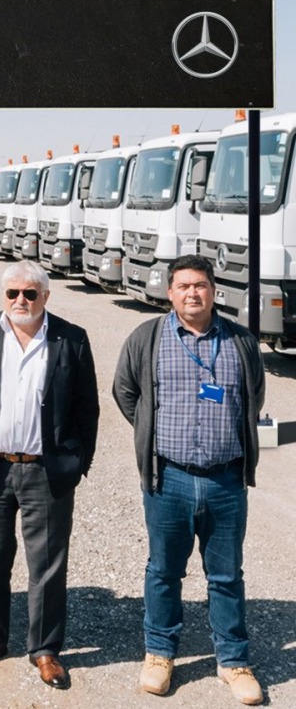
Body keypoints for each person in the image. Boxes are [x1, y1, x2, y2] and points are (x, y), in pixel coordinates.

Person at [113, 255, 265, 706]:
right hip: (169, 479)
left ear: (214, 290)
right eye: (183, 287)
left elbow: (253, 396)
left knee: (225, 575)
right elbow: (125, 392)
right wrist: (150, 433)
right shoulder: (148, 338)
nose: (192, 294)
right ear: (169, 292)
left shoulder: (240, 341)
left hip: (225, 482)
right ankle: (160, 653)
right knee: (163, 571)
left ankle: (233, 661)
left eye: (200, 285)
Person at [0, 260, 99, 690]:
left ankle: (44, 649)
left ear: (46, 296)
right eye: (13, 293)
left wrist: (76, 463)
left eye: (31, 293)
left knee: (46, 565)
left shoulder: (70, 338)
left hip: (45, 473)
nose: (21, 301)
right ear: (3, 296)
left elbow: (88, 407)